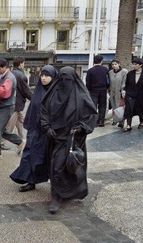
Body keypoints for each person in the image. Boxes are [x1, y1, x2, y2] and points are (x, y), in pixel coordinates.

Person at [41, 66, 97, 214]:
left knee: (70, 167)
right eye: (63, 79)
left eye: (68, 80)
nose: (65, 82)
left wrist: (81, 127)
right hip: (56, 138)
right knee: (56, 167)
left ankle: (67, 193)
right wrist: (47, 127)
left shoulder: (81, 95)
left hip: (73, 139)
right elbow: (44, 111)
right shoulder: (53, 93)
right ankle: (56, 196)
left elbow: (91, 116)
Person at [10, 65, 56, 192]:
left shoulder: (56, 92)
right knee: (30, 154)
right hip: (35, 129)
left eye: (47, 75)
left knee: (47, 157)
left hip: (49, 131)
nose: (44, 78)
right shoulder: (38, 91)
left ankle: (55, 183)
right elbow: (33, 108)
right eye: (42, 75)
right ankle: (30, 180)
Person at [0, 58, 25, 160]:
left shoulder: (9, 77)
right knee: (2, 131)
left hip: (6, 108)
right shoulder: (3, 76)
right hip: (3, 107)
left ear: (4, 67)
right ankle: (20, 142)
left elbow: (4, 92)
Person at [6, 57, 32, 140]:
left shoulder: (10, 73)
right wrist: (34, 99)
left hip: (12, 102)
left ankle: (22, 141)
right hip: (17, 104)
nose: (24, 65)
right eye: (23, 63)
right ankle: (1, 142)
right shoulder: (21, 75)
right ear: (20, 64)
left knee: (20, 123)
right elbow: (26, 90)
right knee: (10, 126)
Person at [86, 54, 109, 127]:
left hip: (93, 91)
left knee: (93, 106)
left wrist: (89, 90)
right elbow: (108, 81)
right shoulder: (105, 69)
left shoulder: (90, 71)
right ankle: (101, 122)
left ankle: (93, 122)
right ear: (101, 61)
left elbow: (88, 82)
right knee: (102, 106)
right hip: (103, 90)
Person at [122, 58, 143, 132]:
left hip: (141, 96)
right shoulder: (130, 73)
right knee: (129, 110)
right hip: (130, 95)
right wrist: (124, 91)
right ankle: (128, 125)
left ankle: (141, 122)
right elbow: (127, 84)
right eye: (133, 64)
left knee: (141, 110)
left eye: (135, 64)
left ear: (140, 65)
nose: (134, 66)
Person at [108, 59, 128, 127]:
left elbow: (125, 82)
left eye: (115, 64)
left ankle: (121, 121)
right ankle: (115, 120)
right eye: (112, 64)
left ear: (119, 64)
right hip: (112, 92)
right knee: (114, 107)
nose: (114, 66)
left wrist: (123, 90)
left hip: (120, 92)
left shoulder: (124, 71)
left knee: (120, 107)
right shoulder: (110, 72)